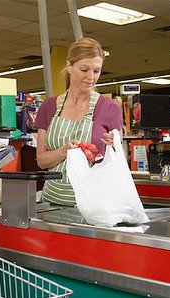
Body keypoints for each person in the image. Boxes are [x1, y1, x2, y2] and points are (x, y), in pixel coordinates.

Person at [35, 38, 123, 206]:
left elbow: (118, 161)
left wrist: (115, 145)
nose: (91, 77)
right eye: (84, 69)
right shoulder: (49, 106)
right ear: (69, 66)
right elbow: (41, 160)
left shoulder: (110, 108)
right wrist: (64, 151)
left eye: (96, 71)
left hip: (93, 204)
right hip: (52, 202)